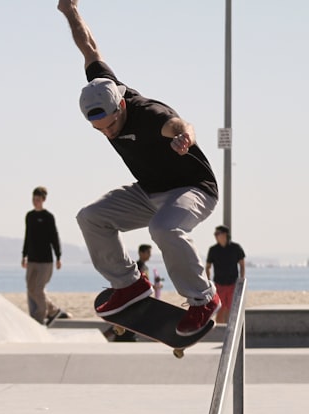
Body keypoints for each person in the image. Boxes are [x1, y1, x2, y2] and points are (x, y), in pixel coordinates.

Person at [57, 0, 220, 338]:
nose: (108, 132)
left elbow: (181, 123)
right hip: (149, 191)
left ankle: (204, 298)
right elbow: (88, 46)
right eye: (99, 129)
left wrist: (184, 140)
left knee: (164, 230)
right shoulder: (103, 84)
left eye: (111, 124)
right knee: (91, 217)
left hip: (193, 189)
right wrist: (70, 10)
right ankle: (129, 284)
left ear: (121, 106)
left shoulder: (150, 115)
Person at [21, 186, 64, 325]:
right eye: (33, 199)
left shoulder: (48, 217)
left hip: (46, 261)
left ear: (43, 200)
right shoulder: (30, 216)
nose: (35, 202)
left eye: (38, 199)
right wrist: (24, 255)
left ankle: (40, 318)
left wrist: (58, 257)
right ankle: (54, 310)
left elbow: (54, 237)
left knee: (39, 289)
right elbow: (27, 236)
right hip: (32, 259)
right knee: (30, 288)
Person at [206, 225, 246, 325]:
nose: (215, 236)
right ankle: (220, 329)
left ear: (224, 234)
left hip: (233, 284)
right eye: (215, 234)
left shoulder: (235, 248)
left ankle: (229, 330)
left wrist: (241, 280)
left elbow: (242, 264)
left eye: (217, 234)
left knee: (231, 309)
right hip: (219, 285)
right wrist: (208, 282)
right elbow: (207, 267)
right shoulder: (213, 250)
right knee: (220, 309)